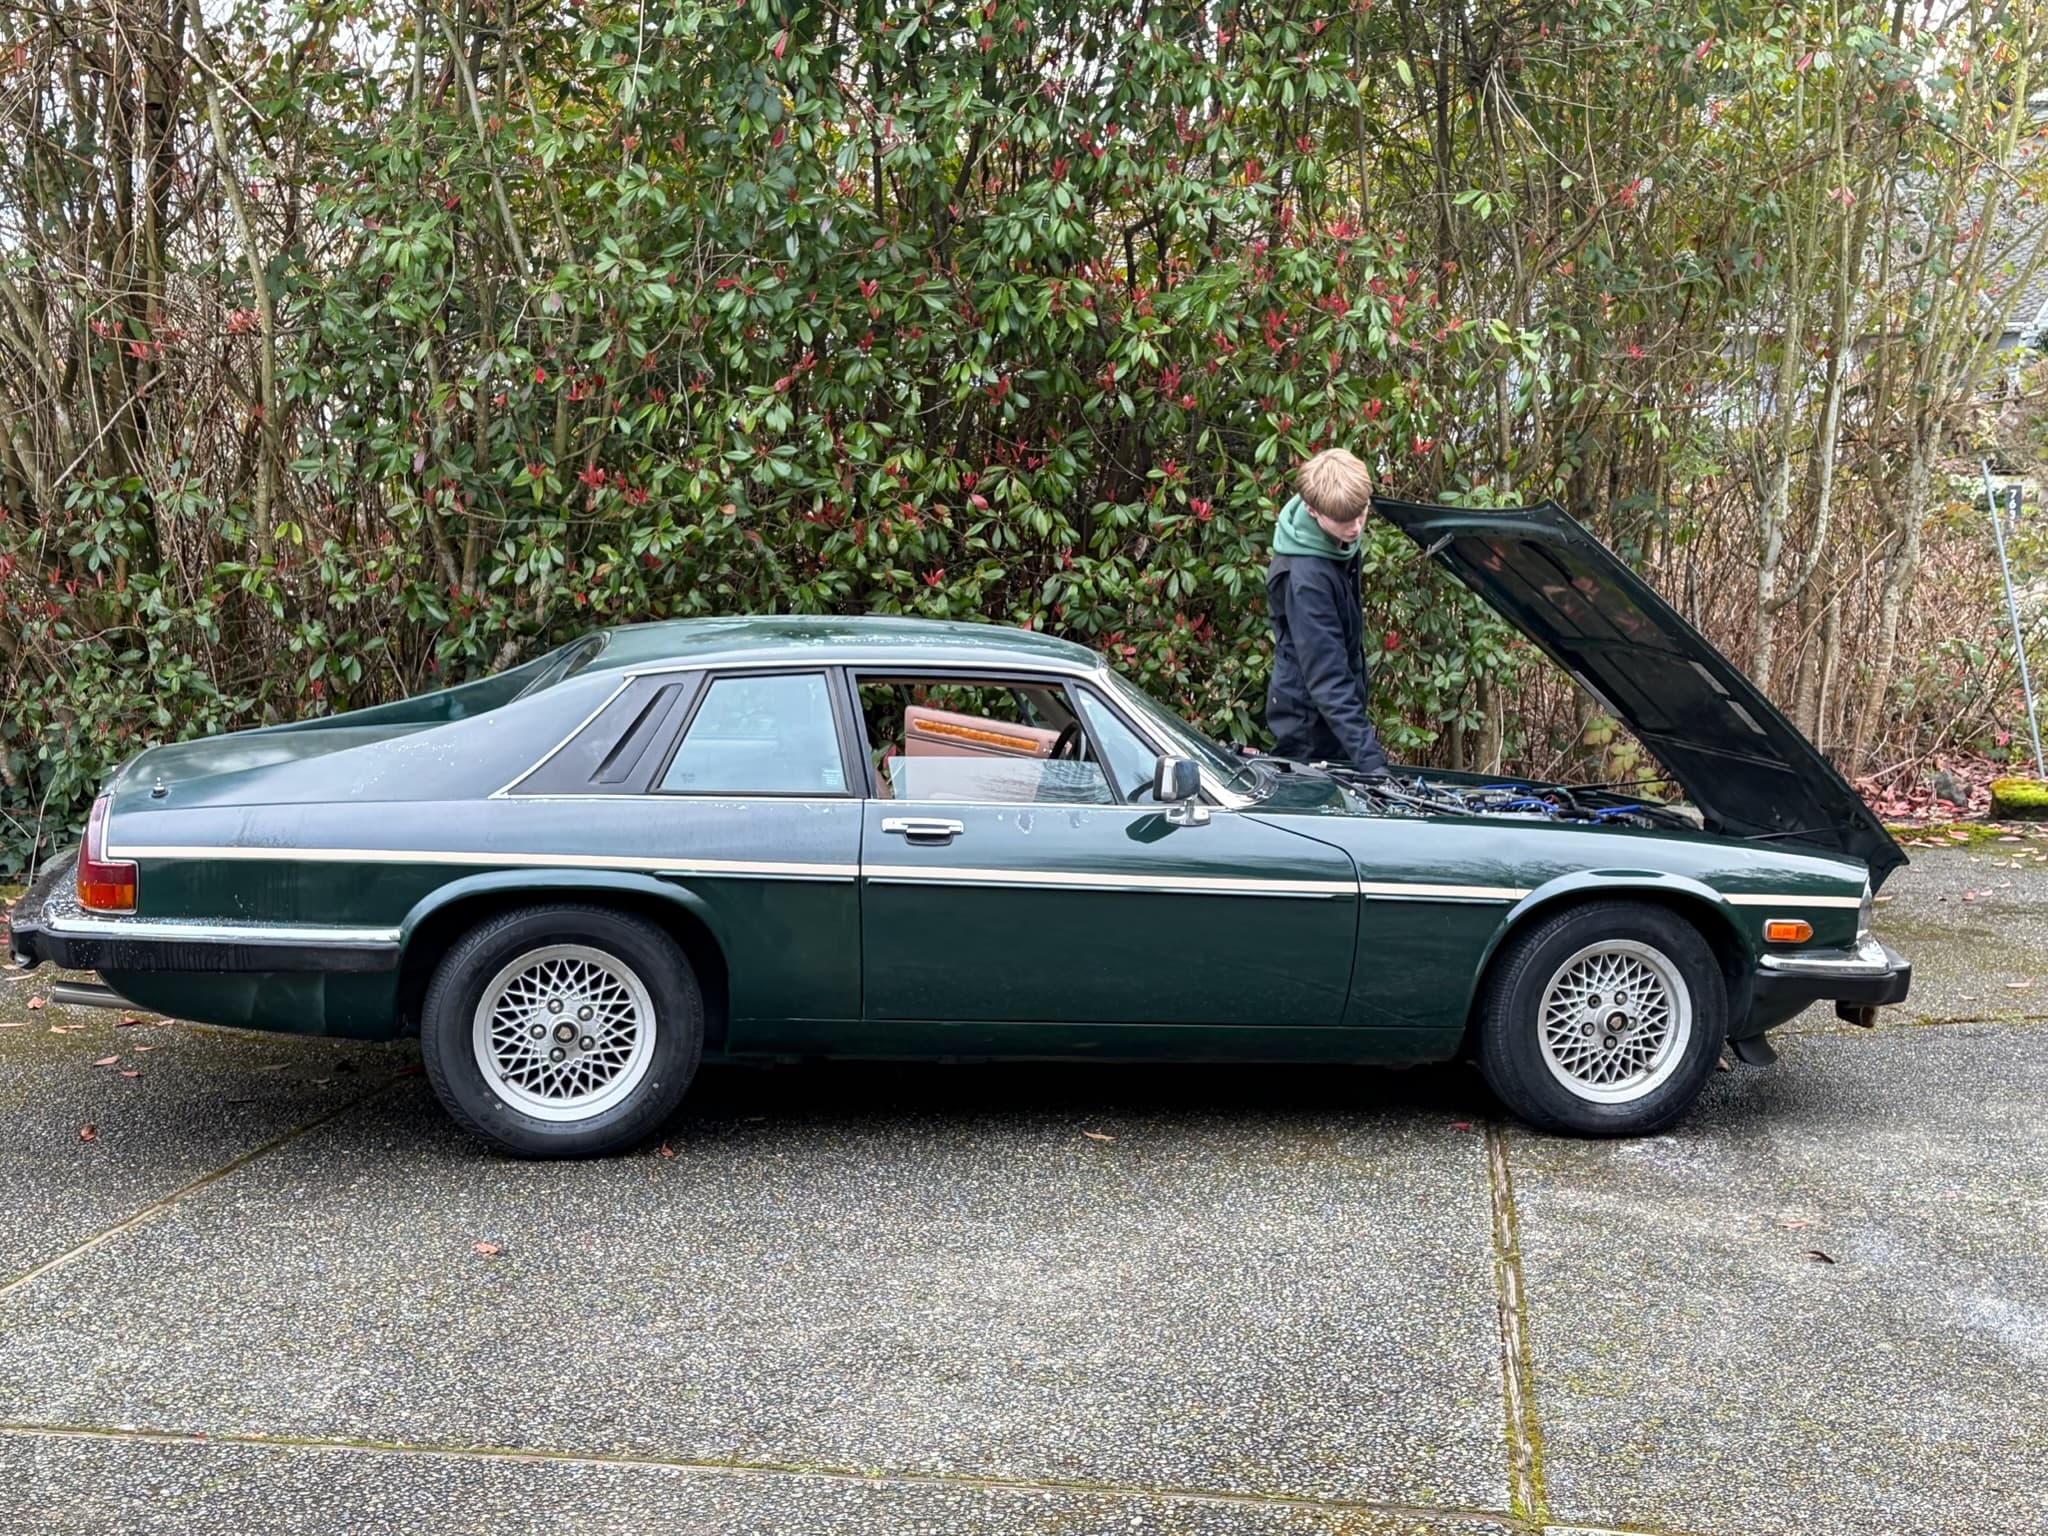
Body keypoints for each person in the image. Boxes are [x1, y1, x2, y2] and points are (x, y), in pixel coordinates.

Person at [1263, 448, 1391, 777]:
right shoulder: (1307, 579)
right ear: (1312, 510)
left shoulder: (1336, 537)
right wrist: (1373, 764)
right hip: (1308, 728)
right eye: (1344, 521)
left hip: (1335, 715)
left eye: (1362, 514)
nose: (1355, 528)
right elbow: (1327, 679)